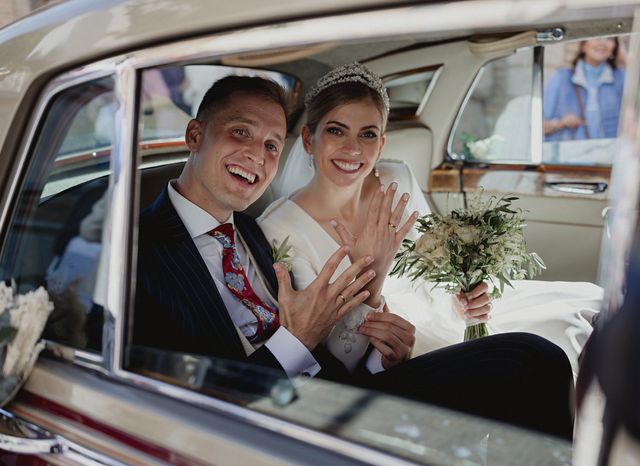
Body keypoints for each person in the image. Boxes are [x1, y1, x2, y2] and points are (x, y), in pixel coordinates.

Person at [135, 73, 575, 439]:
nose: (258, 155)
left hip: (347, 391)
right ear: (195, 135)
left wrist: (379, 358)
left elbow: (333, 350)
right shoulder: (142, 254)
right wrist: (301, 335)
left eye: (272, 144)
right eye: (240, 132)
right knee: (530, 362)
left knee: (535, 359)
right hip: (281, 428)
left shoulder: (245, 230)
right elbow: (199, 410)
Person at [261, 63, 601, 377]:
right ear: (309, 139)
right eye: (336, 131)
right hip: (381, 351)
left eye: (367, 134)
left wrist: (457, 299)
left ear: (380, 145)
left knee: (581, 315)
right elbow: (332, 351)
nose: (353, 149)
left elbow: (431, 269)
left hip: (435, 317)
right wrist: (373, 283)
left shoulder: (396, 177)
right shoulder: (280, 230)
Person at [544, 37, 624, 141]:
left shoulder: (622, 79)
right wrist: (560, 123)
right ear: (583, 44)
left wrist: (626, 59)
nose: (603, 43)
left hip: (608, 155)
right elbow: (537, 126)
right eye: (597, 38)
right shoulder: (561, 77)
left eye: (609, 39)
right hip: (569, 155)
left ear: (615, 47)